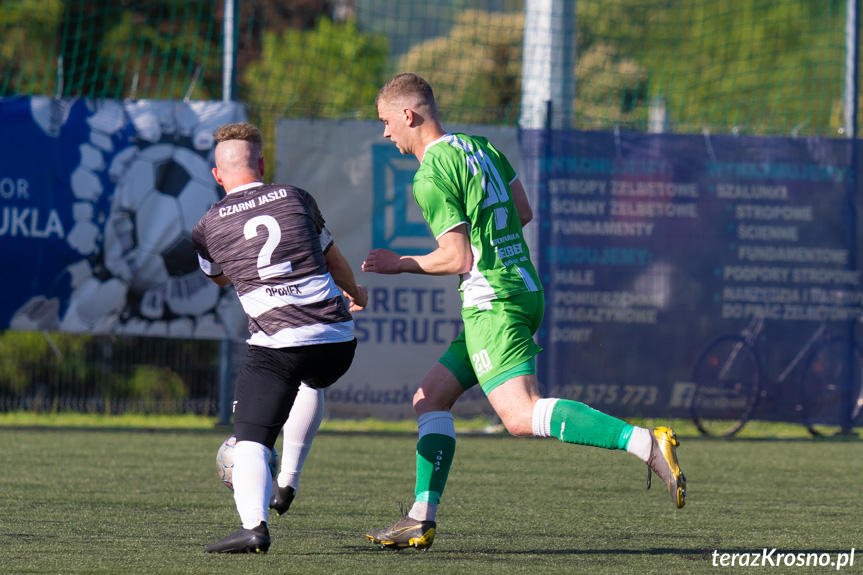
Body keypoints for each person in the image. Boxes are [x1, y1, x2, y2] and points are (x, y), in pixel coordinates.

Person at [362, 73, 686, 551]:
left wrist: (399, 263)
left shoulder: (430, 175)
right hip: (520, 288)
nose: (386, 133)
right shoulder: (479, 147)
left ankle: (644, 444)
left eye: (386, 122)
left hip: (492, 300)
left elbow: (457, 258)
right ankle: (419, 517)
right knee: (429, 399)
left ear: (408, 115)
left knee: (520, 415)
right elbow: (523, 211)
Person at [192, 122, 368, 553]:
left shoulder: (206, 226)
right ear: (263, 164)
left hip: (280, 343)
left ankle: (254, 526)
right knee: (310, 378)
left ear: (217, 176)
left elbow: (218, 279)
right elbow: (334, 259)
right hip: (336, 338)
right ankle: (287, 481)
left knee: (250, 438)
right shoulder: (295, 197)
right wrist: (357, 293)